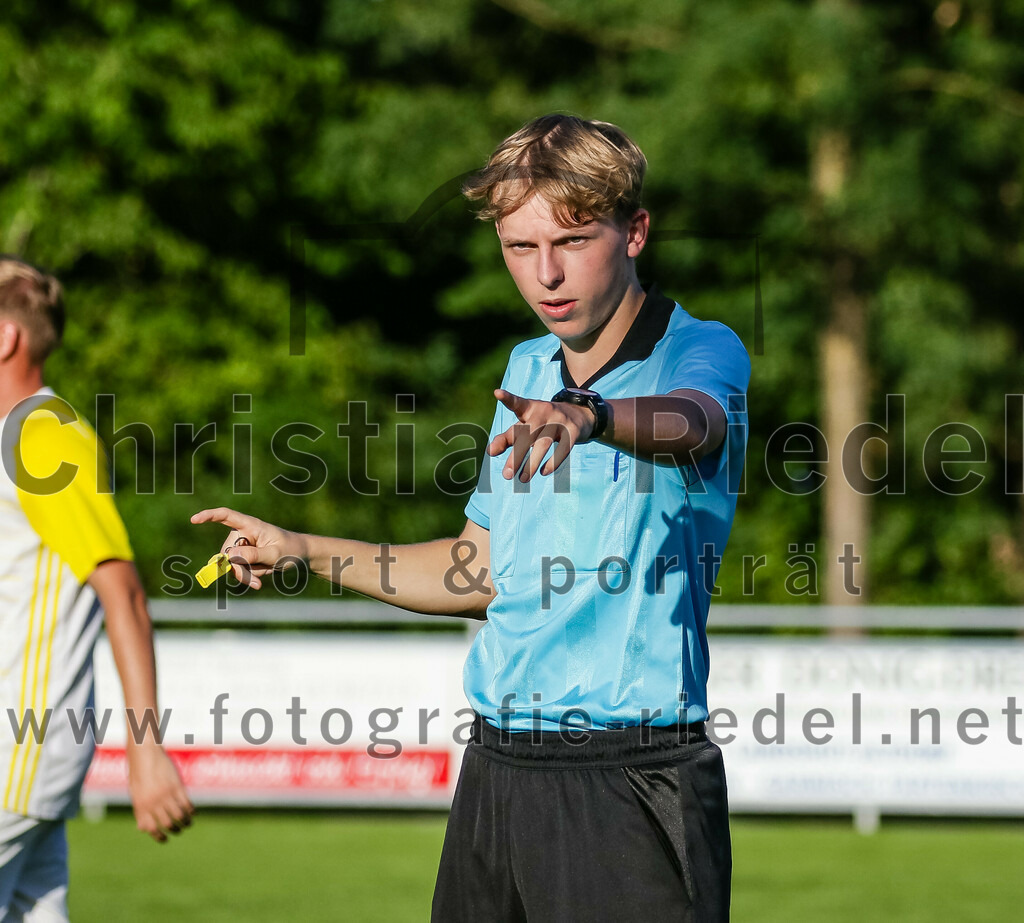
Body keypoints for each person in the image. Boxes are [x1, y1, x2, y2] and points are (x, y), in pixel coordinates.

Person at [192, 114, 750, 921]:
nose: (546, 274)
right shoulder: (526, 369)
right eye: (521, 249)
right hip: (496, 773)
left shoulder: (700, 350)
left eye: (573, 240)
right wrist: (304, 549)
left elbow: (698, 421)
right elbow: (478, 570)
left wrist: (587, 414)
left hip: (633, 775)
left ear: (635, 232)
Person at [0, 258, 193, 921]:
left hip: (15, 754)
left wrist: (145, 748)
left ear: (5, 338)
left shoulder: (42, 436)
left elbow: (124, 592)